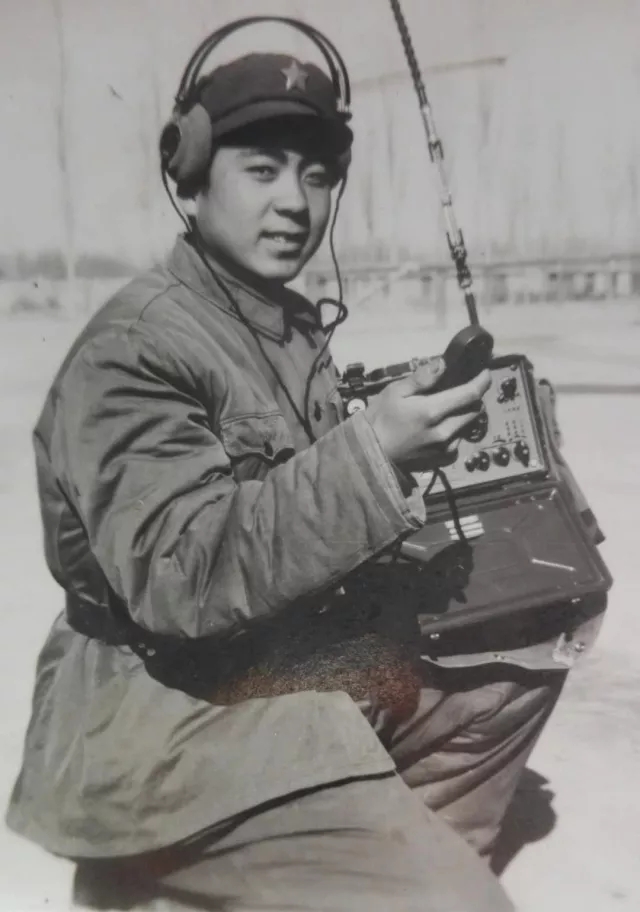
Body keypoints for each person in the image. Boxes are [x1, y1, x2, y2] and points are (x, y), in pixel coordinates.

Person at [6, 20, 606, 912]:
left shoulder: (277, 323)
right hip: (165, 723)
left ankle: (358, 870)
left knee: (513, 663)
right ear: (192, 175)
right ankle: (156, 876)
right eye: (262, 170)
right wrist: (374, 454)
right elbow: (183, 576)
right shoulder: (137, 348)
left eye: (317, 175)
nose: (295, 201)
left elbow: (292, 508)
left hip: (285, 667)